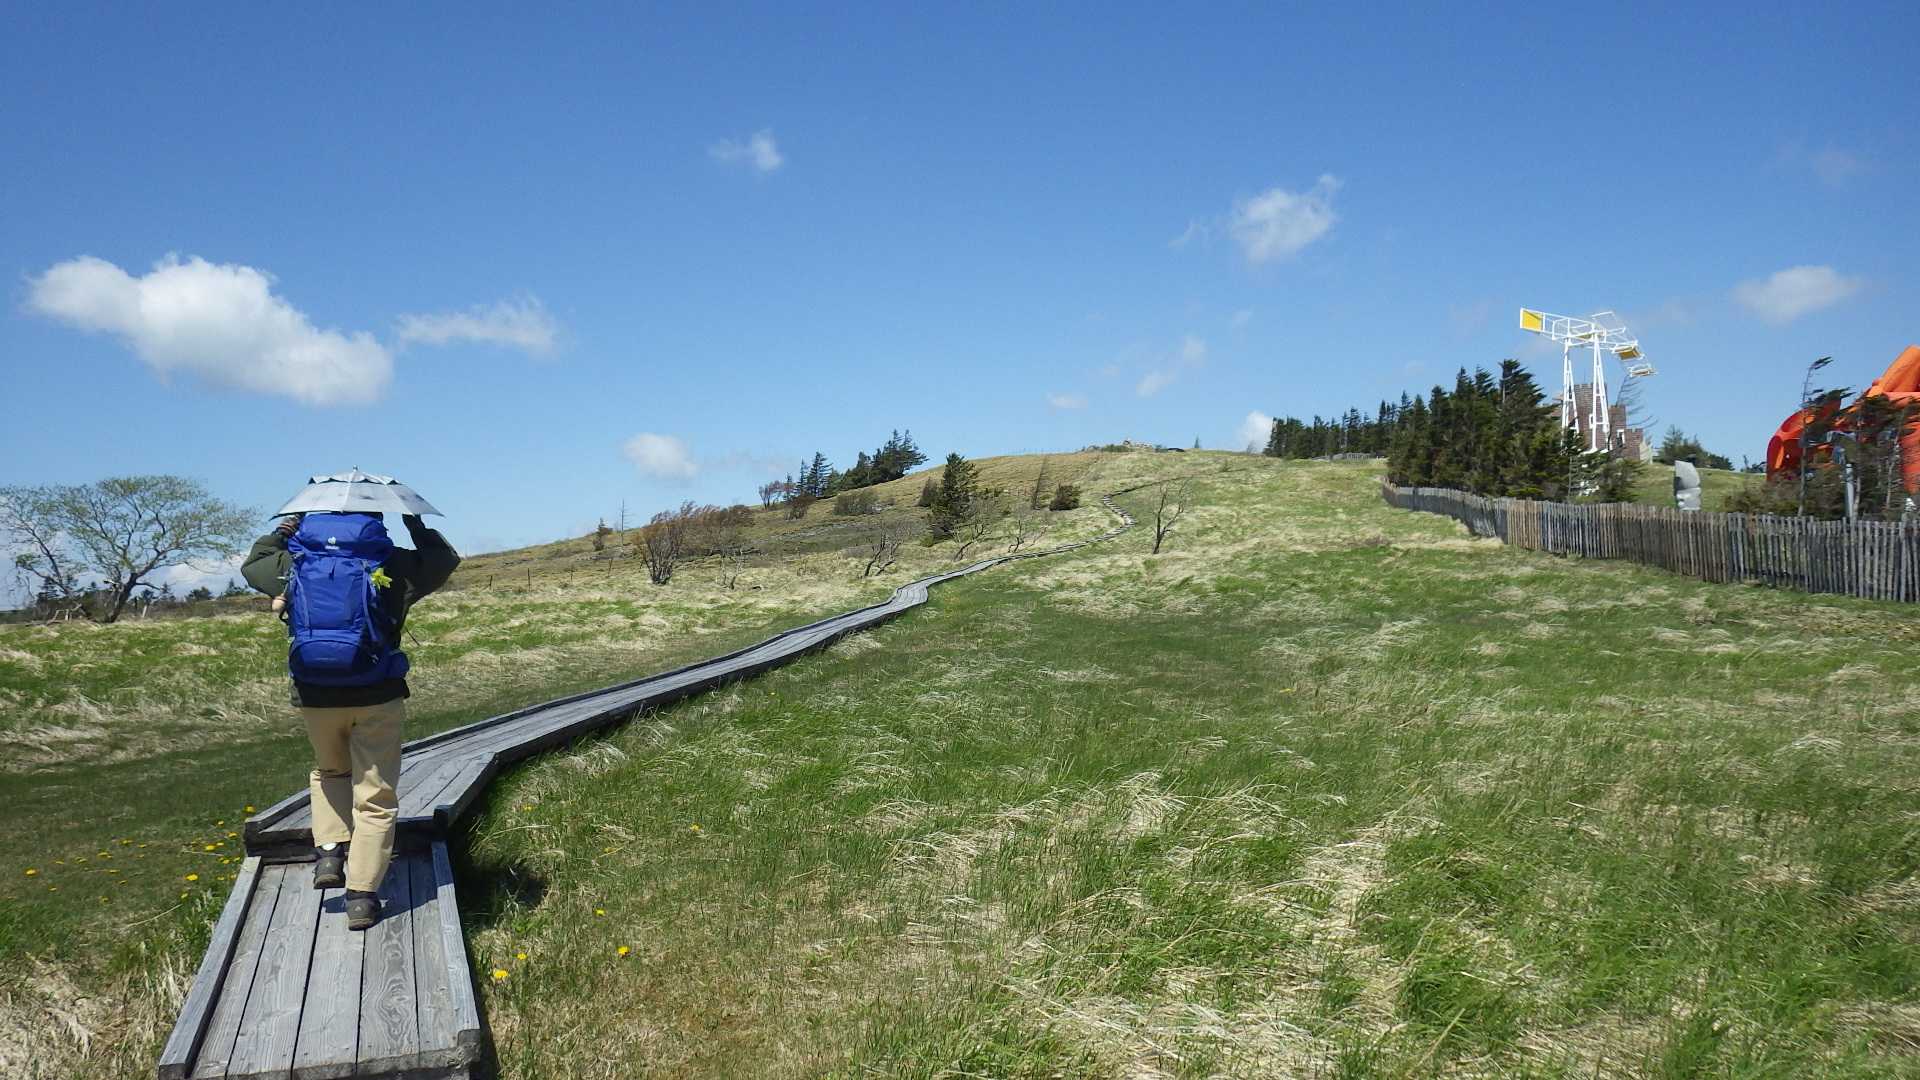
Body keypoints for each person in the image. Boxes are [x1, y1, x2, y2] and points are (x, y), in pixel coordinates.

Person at [243, 511, 459, 929]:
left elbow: (254, 564)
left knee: (330, 771)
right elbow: (443, 560)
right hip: (377, 694)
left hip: (314, 695)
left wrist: (284, 531)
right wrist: (414, 524)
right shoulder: (393, 563)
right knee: (375, 796)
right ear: (374, 520)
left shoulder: (294, 562)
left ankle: (329, 851)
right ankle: (361, 896)